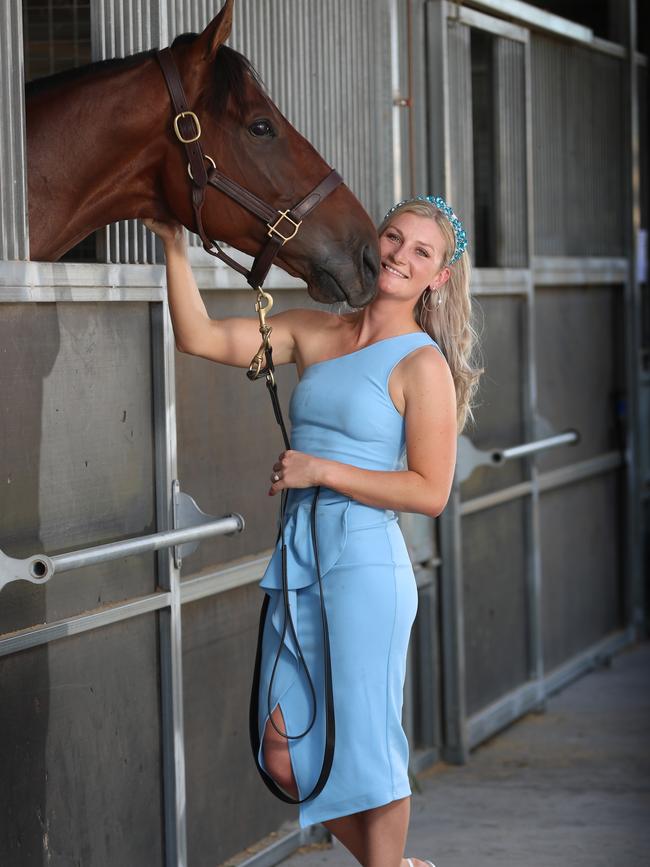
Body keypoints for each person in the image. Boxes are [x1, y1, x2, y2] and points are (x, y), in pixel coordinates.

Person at [143, 194, 482, 867]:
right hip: (299, 561)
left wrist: (322, 469)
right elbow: (201, 336)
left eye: (423, 251)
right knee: (283, 751)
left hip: (366, 570)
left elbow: (431, 491)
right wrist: (172, 245)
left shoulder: (422, 365)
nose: (401, 256)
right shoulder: (313, 331)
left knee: (367, 745)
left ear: (439, 277)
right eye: (395, 237)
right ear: (375, 241)